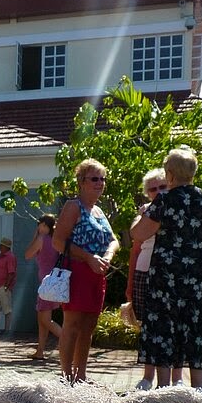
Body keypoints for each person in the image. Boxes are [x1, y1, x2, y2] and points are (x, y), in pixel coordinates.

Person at [131, 147, 202, 392]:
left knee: (163, 327)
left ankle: (163, 389)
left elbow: (139, 234)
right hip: (199, 276)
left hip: (166, 276)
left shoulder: (164, 200)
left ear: (169, 174)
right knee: (195, 327)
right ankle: (198, 388)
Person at [52, 158, 119, 384]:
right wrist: (88, 257)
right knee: (72, 324)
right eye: (94, 179)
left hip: (97, 275)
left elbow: (114, 240)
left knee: (89, 326)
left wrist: (107, 256)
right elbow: (58, 242)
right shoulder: (73, 206)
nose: (100, 183)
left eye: (102, 179)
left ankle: (81, 375)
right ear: (81, 181)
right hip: (77, 272)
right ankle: (66, 375)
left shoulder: (99, 211)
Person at [126, 169, 182, 390]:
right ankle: (148, 376)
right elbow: (135, 248)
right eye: (153, 188)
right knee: (148, 326)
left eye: (162, 187)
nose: (158, 192)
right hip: (144, 271)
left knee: (175, 326)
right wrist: (129, 285)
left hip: (172, 273)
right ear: (146, 193)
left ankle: (177, 378)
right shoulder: (143, 215)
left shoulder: (180, 210)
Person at [24, 214, 62, 361]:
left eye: (39, 224)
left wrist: (36, 236)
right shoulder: (55, 240)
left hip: (45, 284)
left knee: (45, 320)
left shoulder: (41, 239)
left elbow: (27, 254)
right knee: (42, 319)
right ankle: (40, 351)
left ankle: (68, 339)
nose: (38, 227)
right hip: (54, 282)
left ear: (44, 225)